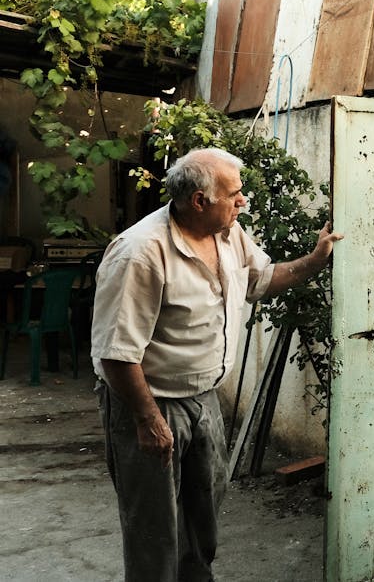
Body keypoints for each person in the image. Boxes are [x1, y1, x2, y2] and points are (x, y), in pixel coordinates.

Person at [90, 147, 342, 580]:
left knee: (202, 519)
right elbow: (116, 353)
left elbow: (262, 280)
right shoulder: (140, 253)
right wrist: (148, 420)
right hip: (150, 402)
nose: (242, 201)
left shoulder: (228, 234)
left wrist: (314, 260)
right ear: (199, 201)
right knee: (154, 530)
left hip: (203, 399)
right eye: (235, 194)